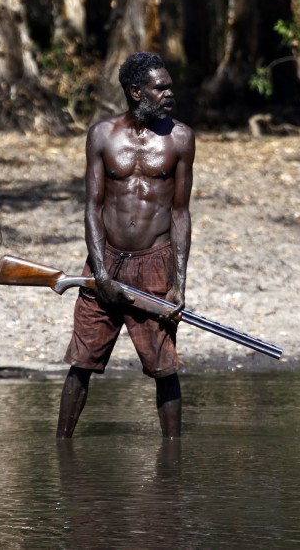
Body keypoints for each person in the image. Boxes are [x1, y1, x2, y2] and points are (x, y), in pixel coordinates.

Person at [56, 52, 195, 439]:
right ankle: (62, 449)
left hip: (155, 263)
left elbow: (181, 213)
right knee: (81, 363)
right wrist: (100, 274)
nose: (169, 93)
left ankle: (172, 462)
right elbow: (92, 207)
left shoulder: (180, 138)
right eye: (160, 87)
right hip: (105, 262)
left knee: (164, 367)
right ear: (136, 92)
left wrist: (179, 283)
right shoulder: (102, 135)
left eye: (170, 86)